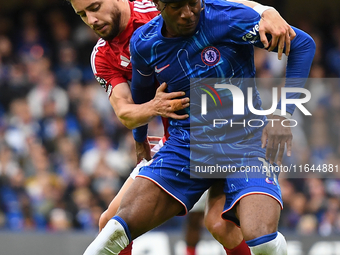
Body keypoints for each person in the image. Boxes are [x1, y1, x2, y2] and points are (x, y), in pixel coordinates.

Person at [81, 0, 315, 254]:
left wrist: (282, 114)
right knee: (110, 231)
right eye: (83, 14)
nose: (188, 13)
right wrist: (140, 138)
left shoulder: (225, 19)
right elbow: (138, 97)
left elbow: (301, 43)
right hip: (185, 146)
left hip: (245, 142)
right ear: (160, 6)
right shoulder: (141, 43)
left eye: (193, 3)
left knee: (255, 238)